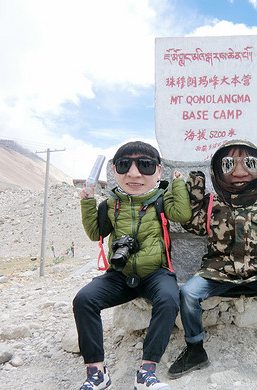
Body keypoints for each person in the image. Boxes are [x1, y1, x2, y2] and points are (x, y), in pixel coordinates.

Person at [168, 140, 257, 381]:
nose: (239, 171)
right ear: (217, 170)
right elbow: (190, 223)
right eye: (228, 164)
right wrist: (194, 186)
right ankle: (195, 351)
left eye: (250, 163)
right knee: (189, 293)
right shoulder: (212, 203)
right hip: (218, 272)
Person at [73, 141, 192, 390]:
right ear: (115, 171)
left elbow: (182, 214)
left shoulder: (162, 199)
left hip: (155, 273)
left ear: (158, 171)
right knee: (84, 300)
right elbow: (96, 234)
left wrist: (178, 184)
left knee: (169, 300)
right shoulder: (109, 205)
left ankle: (147, 371)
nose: (134, 173)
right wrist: (87, 202)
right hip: (119, 273)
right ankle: (96, 373)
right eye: (124, 165)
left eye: (146, 166)